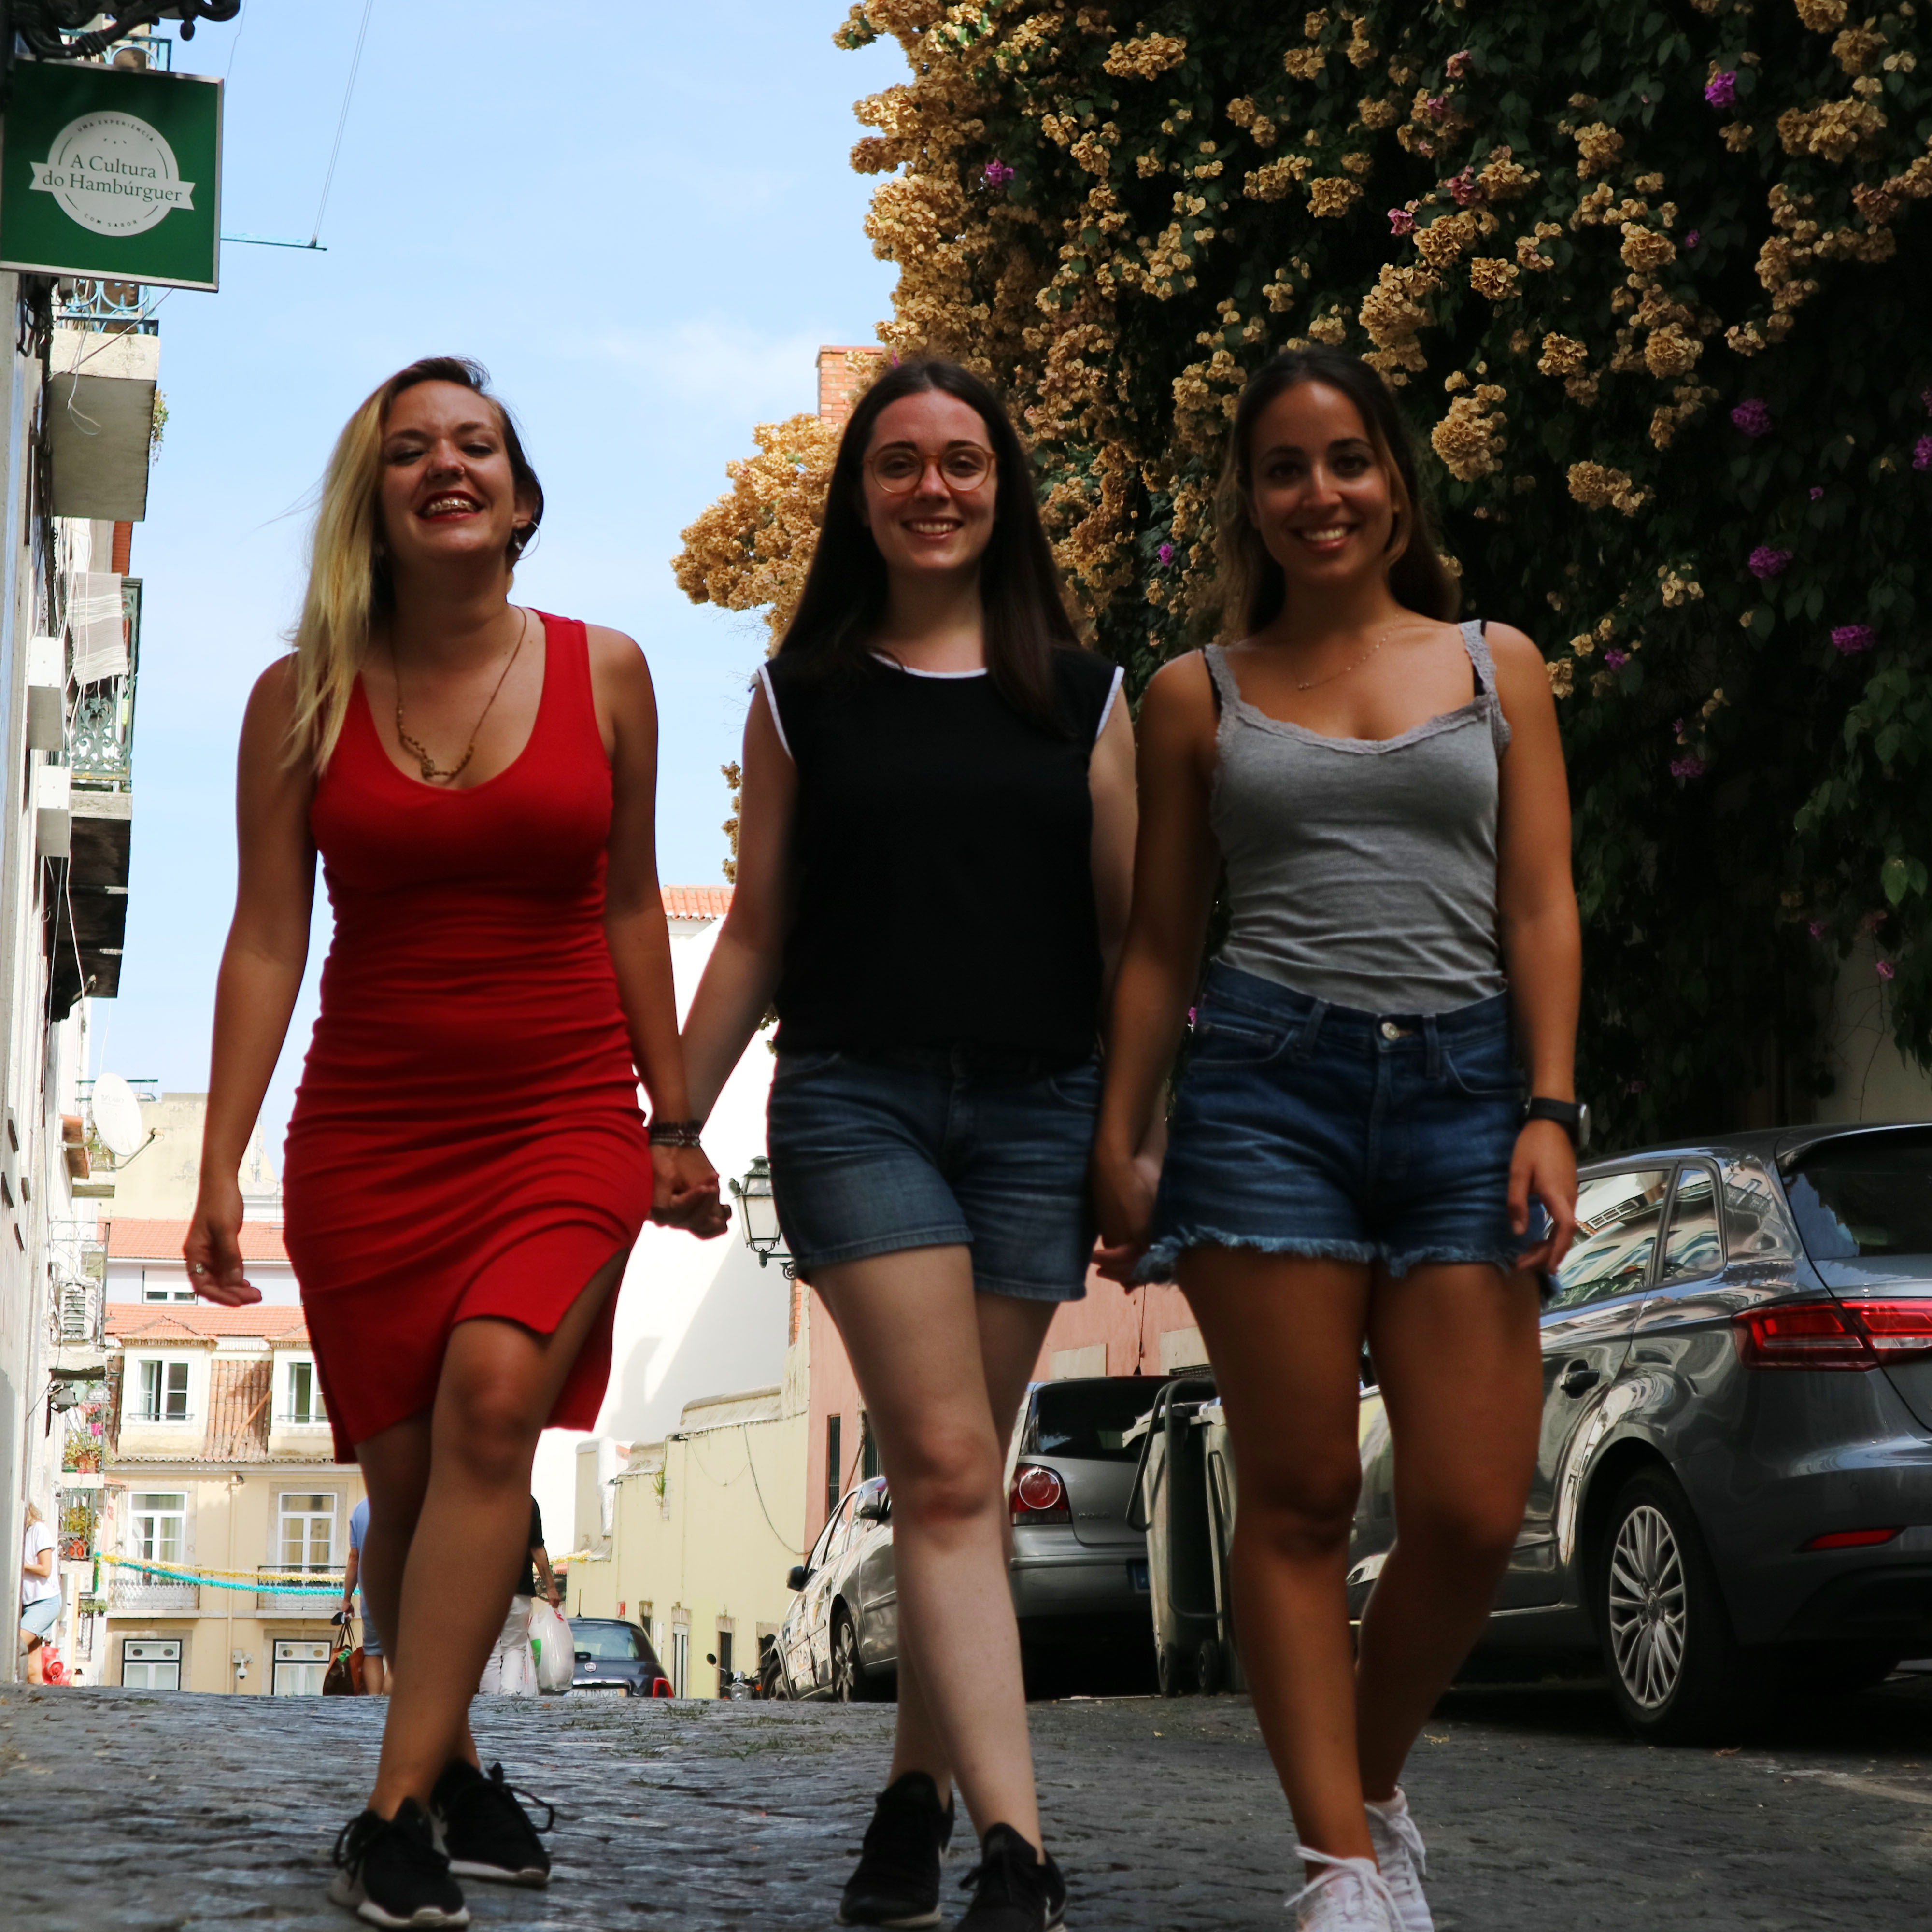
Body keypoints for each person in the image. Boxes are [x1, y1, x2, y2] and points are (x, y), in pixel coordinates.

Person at [184, 356, 727, 1930]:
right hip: (368, 1136)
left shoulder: (609, 671)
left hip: (561, 1115)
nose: (448, 465)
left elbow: (633, 907)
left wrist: (674, 1119)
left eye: (476, 443)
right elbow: (267, 938)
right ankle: (463, 1766)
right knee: (411, 1493)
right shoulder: (298, 698)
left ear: (521, 494)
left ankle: (393, 1813)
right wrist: (220, 1162)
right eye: (410, 448)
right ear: (374, 504)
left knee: (497, 1406)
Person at [1091, 346, 1581, 1932]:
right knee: (1298, 1498)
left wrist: (1551, 1110)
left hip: (1469, 1100)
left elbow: (1539, 905)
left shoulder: (1499, 667)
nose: (1321, 493)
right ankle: (1338, 1875)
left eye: (1349, 459)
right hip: (1267, 1098)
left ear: (1396, 483)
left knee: (1472, 1512)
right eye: (1286, 468)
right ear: (1251, 500)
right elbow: (1161, 945)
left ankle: (1362, 1791)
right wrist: (1123, 1136)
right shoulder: (1196, 694)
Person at [679, 356, 1137, 1932]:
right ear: (860, 495)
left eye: (962, 461)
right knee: (945, 1470)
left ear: (1002, 490)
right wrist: (668, 1118)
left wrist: (1137, 1137)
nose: (932, 487)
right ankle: (1019, 1852)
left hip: (1038, 1115)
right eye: (899, 462)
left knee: (958, 1486)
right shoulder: (800, 696)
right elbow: (756, 931)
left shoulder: (1087, 698)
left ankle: (911, 1801)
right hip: (857, 1103)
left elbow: (1132, 942)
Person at [477, 1498, 556, 1696]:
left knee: (489, 1650)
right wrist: (551, 1588)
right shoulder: (526, 1503)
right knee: (514, 1648)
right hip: (518, 1591)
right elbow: (536, 1548)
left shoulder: (479, 1497)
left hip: (484, 1591)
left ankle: (489, 1700)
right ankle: (509, 1697)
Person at [341, 1497, 385, 1696]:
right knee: (399, 1658)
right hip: (406, 1592)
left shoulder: (360, 1509)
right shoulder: (411, 1500)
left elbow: (354, 1558)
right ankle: (390, 1707)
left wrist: (347, 1599)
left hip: (371, 1594)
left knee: (373, 1652)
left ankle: (375, 1706)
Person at [20, 1502, 60, 1686]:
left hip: (45, 1603)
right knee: (32, 1669)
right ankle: (37, 1700)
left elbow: (45, 1569)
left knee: (15, 1646)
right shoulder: (22, 1535)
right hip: (29, 1604)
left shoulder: (39, 1530)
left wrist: (19, 1563)